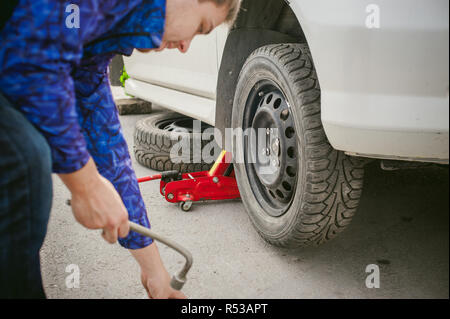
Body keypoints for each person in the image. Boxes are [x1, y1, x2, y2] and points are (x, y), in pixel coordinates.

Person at [0, 0, 240, 299]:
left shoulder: (99, 41)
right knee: (25, 159)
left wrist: (154, 272)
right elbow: (36, 65)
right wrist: (86, 186)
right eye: (200, 28)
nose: (185, 47)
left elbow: (106, 143)